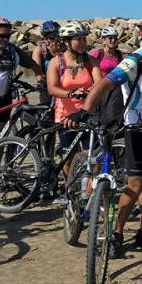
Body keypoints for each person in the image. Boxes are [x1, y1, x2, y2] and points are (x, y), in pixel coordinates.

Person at [64, 13, 142, 258]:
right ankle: (116, 233)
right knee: (135, 183)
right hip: (138, 130)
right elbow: (104, 84)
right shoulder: (136, 60)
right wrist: (85, 111)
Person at [46, 21, 101, 203]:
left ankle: (90, 191)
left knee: (91, 155)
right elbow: (52, 89)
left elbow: (99, 83)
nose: (83, 42)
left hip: (88, 114)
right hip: (65, 115)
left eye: (84, 38)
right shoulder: (56, 62)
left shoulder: (90, 61)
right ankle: (69, 190)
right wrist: (70, 93)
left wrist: (89, 92)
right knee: (67, 156)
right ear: (67, 42)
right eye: (78, 39)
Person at [0, 17, 44, 157]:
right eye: (1, 36)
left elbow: (33, 65)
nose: (5, 39)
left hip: (4, 99)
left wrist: (41, 81)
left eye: (8, 36)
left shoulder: (13, 51)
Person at [32, 20, 64, 105]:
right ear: (45, 39)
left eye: (59, 35)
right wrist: (41, 81)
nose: (57, 39)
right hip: (47, 86)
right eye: (53, 36)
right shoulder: (40, 50)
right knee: (46, 113)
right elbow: (37, 70)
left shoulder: (65, 49)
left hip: (64, 86)